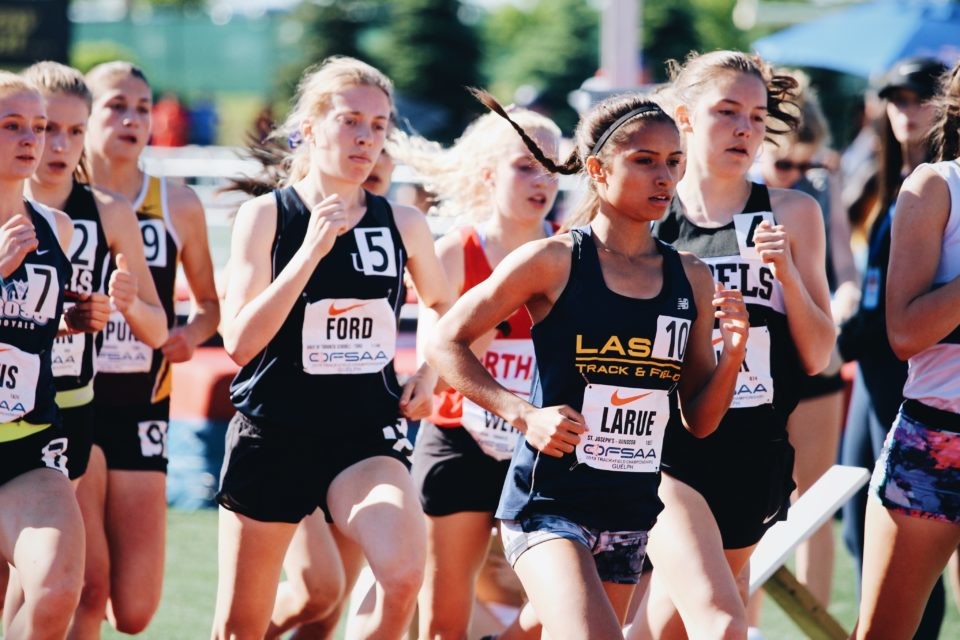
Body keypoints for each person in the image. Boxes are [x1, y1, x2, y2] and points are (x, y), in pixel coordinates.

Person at [427, 88, 750, 639]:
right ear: (597, 170)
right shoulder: (553, 260)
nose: (664, 177)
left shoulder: (691, 277)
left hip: (630, 510)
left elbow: (699, 421)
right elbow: (444, 342)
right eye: (644, 161)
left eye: (673, 161)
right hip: (549, 503)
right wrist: (524, 415)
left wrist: (733, 356)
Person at [213, 56, 452, 639]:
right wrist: (309, 254)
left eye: (379, 125)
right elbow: (239, 343)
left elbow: (443, 307)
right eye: (351, 121)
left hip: (364, 437)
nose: (367, 137)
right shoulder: (266, 216)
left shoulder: (402, 223)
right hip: (274, 433)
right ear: (311, 128)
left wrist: (429, 372)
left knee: (403, 575)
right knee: (240, 628)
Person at [627, 51, 834, 640]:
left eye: (756, 115)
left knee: (663, 628)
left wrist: (786, 275)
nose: (745, 128)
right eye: (727, 111)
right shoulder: (645, 217)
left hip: (754, 450)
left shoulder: (792, 213)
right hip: (664, 450)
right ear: (685, 118)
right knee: (721, 624)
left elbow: (819, 355)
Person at [396, 105, 562, 640]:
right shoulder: (455, 252)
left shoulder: (574, 252)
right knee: (442, 623)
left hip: (546, 449)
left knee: (564, 608)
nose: (542, 180)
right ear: (489, 174)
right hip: (460, 441)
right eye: (525, 166)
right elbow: (433, 364)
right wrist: (476, 332)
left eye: (552, 167)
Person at [75, 61, 220, 637]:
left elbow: (209, 304)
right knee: (86, 588)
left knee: (134, 611)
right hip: (68, 404)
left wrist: (190, 335)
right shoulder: (57, 197)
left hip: (143, 407)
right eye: (116, 106)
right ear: (85, 115)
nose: (132, 119)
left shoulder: (176, 203)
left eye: (142, 107)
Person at [837, 56, 949, 640]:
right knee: (859, 530)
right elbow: (896, 318)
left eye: (917, 98)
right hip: (911, 398)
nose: (906, 110)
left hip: (908, 378)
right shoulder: (906, 182)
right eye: (896, 99)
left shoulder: (927, 181)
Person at [21, 61, 168, 485]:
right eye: (48, 128)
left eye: (76, 131)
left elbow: (158, 330)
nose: (61, 145)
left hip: (72, 403)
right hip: (6, 404)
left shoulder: (110, 211)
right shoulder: (6, 208)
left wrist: (128, 303)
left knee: (60, 526)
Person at [750, 72, 858, 615]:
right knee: (746, 504)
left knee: (815, 501)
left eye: (805, 163)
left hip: (814, 354)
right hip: (754, 363)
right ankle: (743, 620)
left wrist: (842, 300)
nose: (796, 174)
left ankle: (814, 616)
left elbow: (843, 262)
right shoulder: (739, 195)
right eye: (785, 163)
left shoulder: (818, 187)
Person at [0, 70, 83, 640]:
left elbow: (31, 327)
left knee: (54, 592)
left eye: (39, 126)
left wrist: (80, 318)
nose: (32, 138)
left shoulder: (56, 227)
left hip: (29, 445)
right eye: (12, 125)